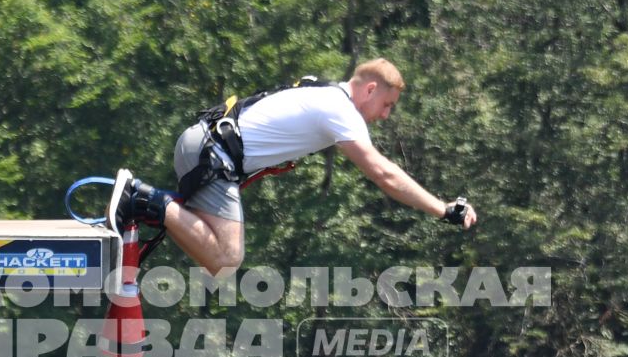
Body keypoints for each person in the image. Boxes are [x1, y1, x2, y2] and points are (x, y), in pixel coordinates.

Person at [115, 59, 478, 276]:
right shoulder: (341, 111)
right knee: (227, 259)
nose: (386, 115)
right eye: (387, 104)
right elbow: (384, 174)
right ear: (369, 89)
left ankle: (146, 205)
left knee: (219, 257)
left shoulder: (324, 92)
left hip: (204, 147)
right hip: (211, 156)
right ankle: (143, 199)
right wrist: (442, 209)